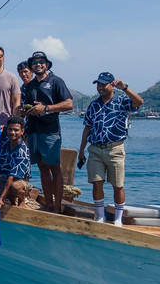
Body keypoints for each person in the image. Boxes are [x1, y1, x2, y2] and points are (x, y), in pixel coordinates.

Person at [78, 72, 144, 225]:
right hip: (95, 148)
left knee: (117, 184)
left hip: (115, 149)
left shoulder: (121, 101)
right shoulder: (94, 104)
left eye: (103, 84)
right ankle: (100, 215)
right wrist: (81, 150)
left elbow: (139, 102)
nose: (100, 87)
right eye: (98, 85)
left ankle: (118, 219)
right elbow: (87, 128)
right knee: (97, 182)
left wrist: (125, 88)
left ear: (112, 85)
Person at [22, 51, 73, 214]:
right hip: (33, 131)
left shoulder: (56, 81)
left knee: (54, 168)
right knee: (42, 168)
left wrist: (46, 108)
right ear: (31, 66)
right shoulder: (29, 86)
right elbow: (30, 107)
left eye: (41, 61)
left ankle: (57, 207)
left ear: (47, 64)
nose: (38, 64)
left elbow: (68, 104)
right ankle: (48, 205)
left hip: (50, 132)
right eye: (35, 62)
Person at [0, 116, 31, 210]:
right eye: (10, 129)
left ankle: (21, 198)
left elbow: (12, 177)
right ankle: (11, 197)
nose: (12, 132)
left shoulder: (22, 151)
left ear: (22, 131)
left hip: (20, 181)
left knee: (15, 187)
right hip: (4, 179)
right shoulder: (4, 145)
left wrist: (1, 198)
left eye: (16, 130)